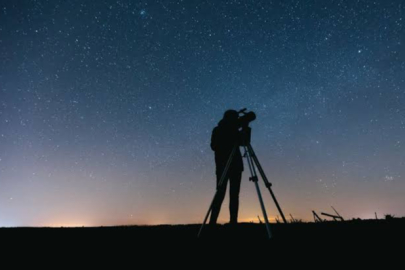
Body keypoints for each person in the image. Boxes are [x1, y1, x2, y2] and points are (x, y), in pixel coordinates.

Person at [209, 109, 244, 225]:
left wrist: (246, 127)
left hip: (236, 166)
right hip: (223, 166)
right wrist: (230, 136)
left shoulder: (235, 130)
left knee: (234, 195)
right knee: (220, 193)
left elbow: (244, 142)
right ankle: (212, 221)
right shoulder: (218, 130)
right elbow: (214, 146)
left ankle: (233, 221)